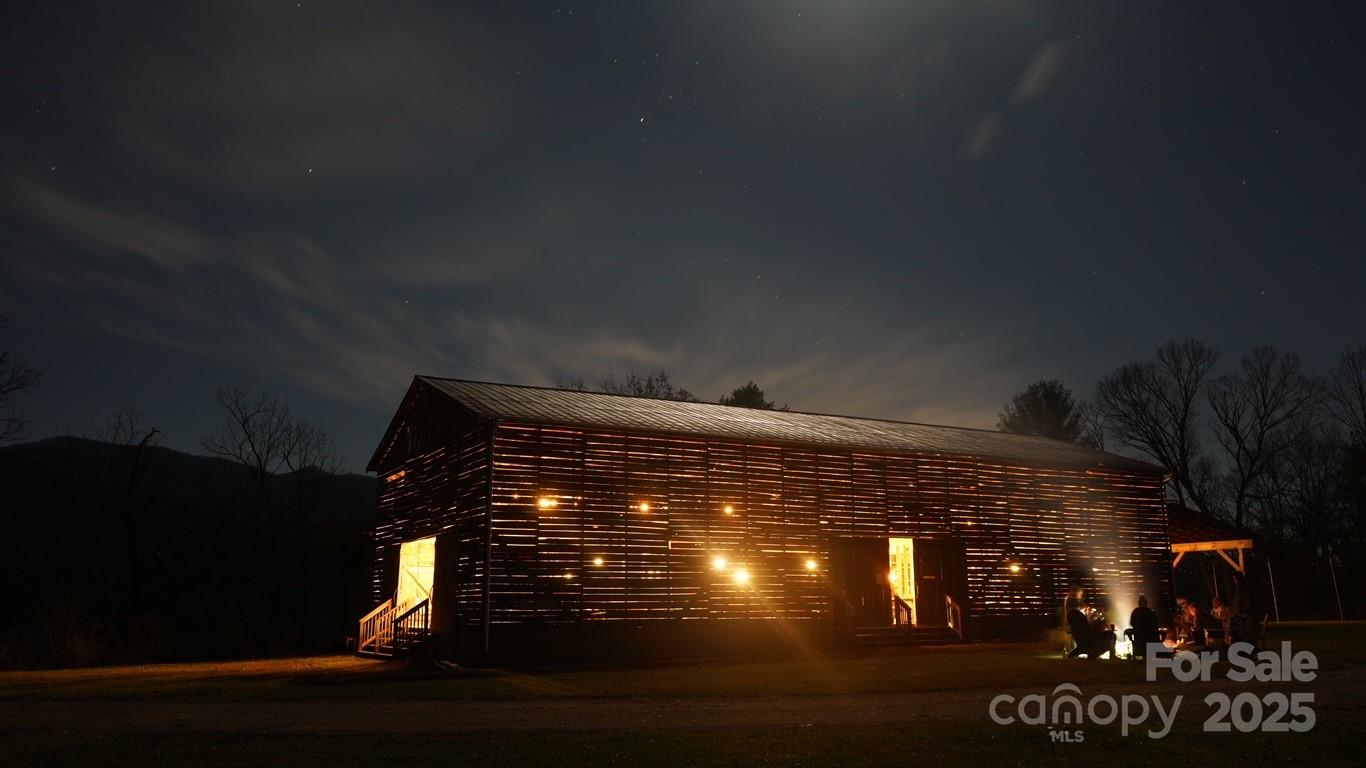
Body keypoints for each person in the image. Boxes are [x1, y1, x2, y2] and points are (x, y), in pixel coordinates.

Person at [1128, 595, 1161, 660]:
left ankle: (1139, 658)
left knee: (1139, 647)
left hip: (1139, 636)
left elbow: (1132, 623)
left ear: (1139, 603)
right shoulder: (1151, 612)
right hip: (1150, 636)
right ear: (1146, 603)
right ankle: (1150, 657)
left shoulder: (1135, 612)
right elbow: (1156, 624)